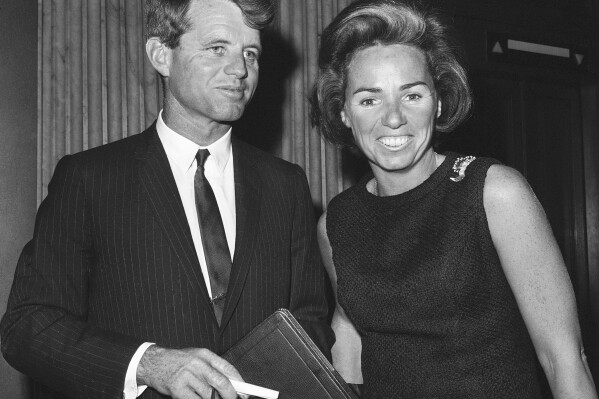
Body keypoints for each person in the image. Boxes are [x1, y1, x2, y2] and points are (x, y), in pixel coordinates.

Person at [0, 0, 334, 398]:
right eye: (217, 48)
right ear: (161, 55)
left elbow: (309, 325)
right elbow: (28, 324)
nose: (241, 69)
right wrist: (148, 363)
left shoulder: (287, 185)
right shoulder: (90, 179)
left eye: (250, 53)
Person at [310, 0, 598, 398]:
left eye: (411, 95)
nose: (393, 118)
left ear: (439, 101)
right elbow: (349, 327)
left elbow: (563, 358)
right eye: (369, 99)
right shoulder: (336, 222)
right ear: (344, 113)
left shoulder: (494, 192)